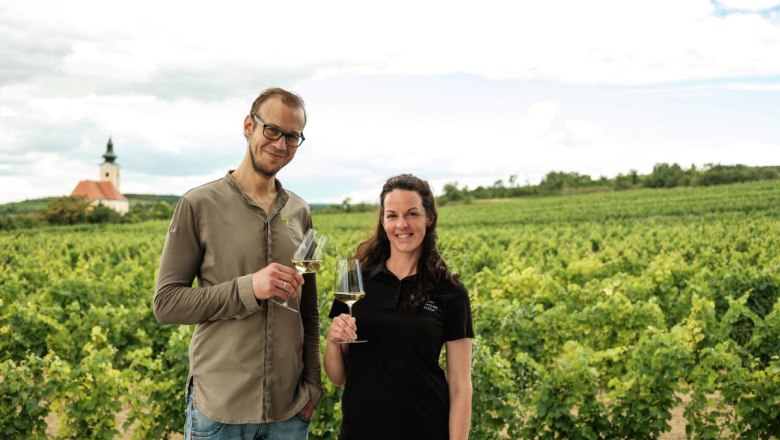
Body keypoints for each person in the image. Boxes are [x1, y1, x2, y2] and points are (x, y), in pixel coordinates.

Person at [154, 87, 323, 440]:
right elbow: (167, 304)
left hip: (290, 414)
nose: (280, 144)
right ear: (249, 125)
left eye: (292, 136)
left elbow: (309, 308)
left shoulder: (301, 212)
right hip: (219, 413)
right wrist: (250, 288)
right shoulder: (197, 204)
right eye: (272, 130)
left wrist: (312, 385)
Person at [324, 174, 474, 440]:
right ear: (383, 222)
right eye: (392, 215)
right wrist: (333, 341)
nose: (401, 224)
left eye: (412, 214)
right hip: (359, 431)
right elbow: (337, 377)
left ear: (429, 218)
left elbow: (461, 387)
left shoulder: (450, 291)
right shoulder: (354, 280)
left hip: (425, 429)